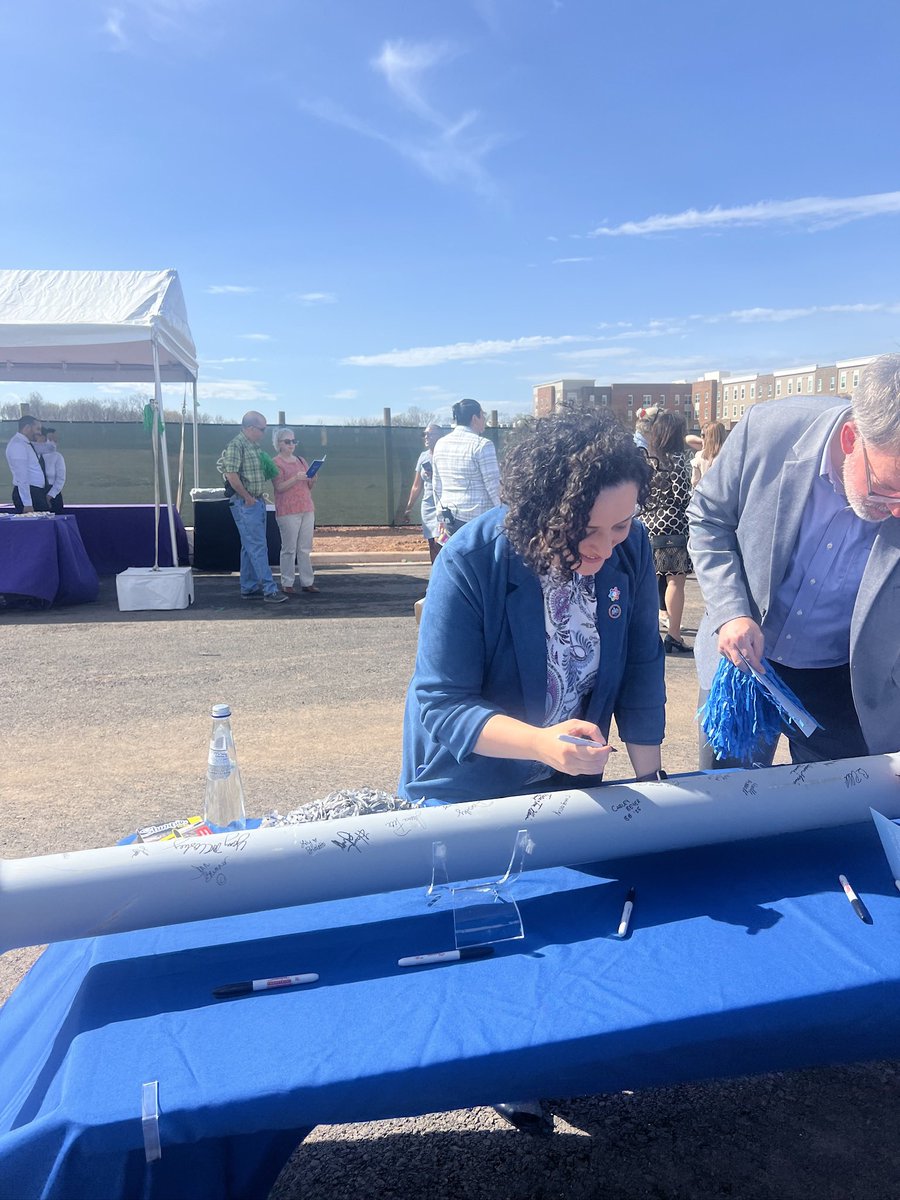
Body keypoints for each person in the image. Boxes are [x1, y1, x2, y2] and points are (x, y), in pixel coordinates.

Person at [400, 408, 666, 808]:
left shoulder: (632, 547)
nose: (606, 547)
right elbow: (444, 704)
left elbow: (641, 666)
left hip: (567, 789)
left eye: (621, 524)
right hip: (465, 790)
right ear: (541, 513)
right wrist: (540, 743)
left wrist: (652, 783)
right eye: (585, 530)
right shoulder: (469, 561)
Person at [688, 353, 900, 769]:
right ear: (849, 439)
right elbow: (708, 517)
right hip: (743, 664)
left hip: (844, 679)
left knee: (838, 812)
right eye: (888, 488)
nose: (897, 511)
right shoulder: (767, 431)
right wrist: (731, 612)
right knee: (728, 803)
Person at [217, 412, 288, 604]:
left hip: (253, 502)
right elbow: (231, 473)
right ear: (250, 428)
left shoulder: (253, 446)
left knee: (249, 547)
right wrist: (247, 497)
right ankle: (269, 589)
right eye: (262, 429)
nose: (264, 433)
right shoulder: (236, 445)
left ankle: (248, 587)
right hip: (245, 503)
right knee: (257, 547)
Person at [642, 412, 694, 655]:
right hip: (671, 525)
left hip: (645, 524)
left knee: (649, 581)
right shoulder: (678, 460)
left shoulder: (647, 461)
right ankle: (674, 635)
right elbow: (683, 495)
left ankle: (647, 632)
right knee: (675, 580)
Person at [431, 398, 500, 539]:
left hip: (449, 516)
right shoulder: (482, 445)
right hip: (477, 519)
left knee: (456, 558)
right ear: (475, 418)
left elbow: (437, 484)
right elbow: (494, 486)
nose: (484, 420)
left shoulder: (440, 444)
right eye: (483, 415)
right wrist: (505, 514)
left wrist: (440, 515)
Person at [272, 427, 318, 594]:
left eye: (293, 441)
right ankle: (287, 582)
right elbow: (279, 487)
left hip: (306, 507)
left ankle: (307, 582)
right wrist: (295, 478)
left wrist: (312, 478)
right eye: (287, 441)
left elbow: (308, 486)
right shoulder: (275, 462)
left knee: (305, 548)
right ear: (279, 444)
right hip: (287, 510)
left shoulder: (301, 460)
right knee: (289, 548)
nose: (291, 444)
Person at [404, 423, 444, 562]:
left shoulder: (446, 455)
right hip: (428, 505)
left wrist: (436, 476)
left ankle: (444, 575)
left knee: (440, 541)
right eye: (424, 434)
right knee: (431, 543)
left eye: (430, 434)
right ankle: (435, 575)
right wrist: (408, 508)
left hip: (443, 504)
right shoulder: (423, 456)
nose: (426, 437)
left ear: (440, 436)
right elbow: (416, 485)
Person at [6, 414, 49, 513]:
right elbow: (22, 476)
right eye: (37, 429)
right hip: (30, 493)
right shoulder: (18, 445)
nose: (39, 433)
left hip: (36, 492)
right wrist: (28, 504)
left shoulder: (26, 444)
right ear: (27, 428)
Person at [35, 426, 66, 513]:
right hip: (36, 493)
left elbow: (60, 479)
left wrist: (49, 496)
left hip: (53, 495)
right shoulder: (31, 455)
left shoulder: (56, 456)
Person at [690, 421, 726, 487]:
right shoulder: (728, 456)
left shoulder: (700, 455)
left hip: (704, 493)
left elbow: (694, 481)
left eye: (703, 436)